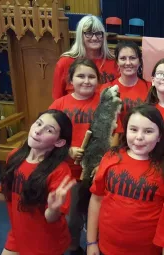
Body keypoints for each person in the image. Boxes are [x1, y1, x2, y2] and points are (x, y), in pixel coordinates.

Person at [0, 109, 75, 255]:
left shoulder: (59, 171)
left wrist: (53, 208)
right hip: (18, 233)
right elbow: (5, 194)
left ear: (59, 142)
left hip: (46, 242)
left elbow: (51, 218)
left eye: (49, 130)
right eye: (38, 123)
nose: (38, 130)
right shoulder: (15, 156)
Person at [86, 104, 164, 255]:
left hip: (149, 250)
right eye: (133, 129)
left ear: (159, 136)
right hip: (107, 247)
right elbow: (96, 199)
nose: (139, 137)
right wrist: (91, 241)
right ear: (125, 131)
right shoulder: (111, 158)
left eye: (148, 131)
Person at [49, 58, 101, 255]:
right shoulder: (60, 103)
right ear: (70, 79)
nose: (86, 81)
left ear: (98, 79)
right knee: (72, 217)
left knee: (97, 213)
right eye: (80, 76)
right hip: (69, 171)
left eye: (91, 76)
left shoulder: (104, 103)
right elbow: (50, 134)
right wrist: (68, 149)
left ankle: (96, 245)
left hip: (96, 170)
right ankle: (73, 247)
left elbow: (115, 134)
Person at [52, 15, 119, 99]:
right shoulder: (65, 62)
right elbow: (57, 98)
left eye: (98, 33)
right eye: (89, 33)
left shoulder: (114, 62)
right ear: (80, 36)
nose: (94, 38)